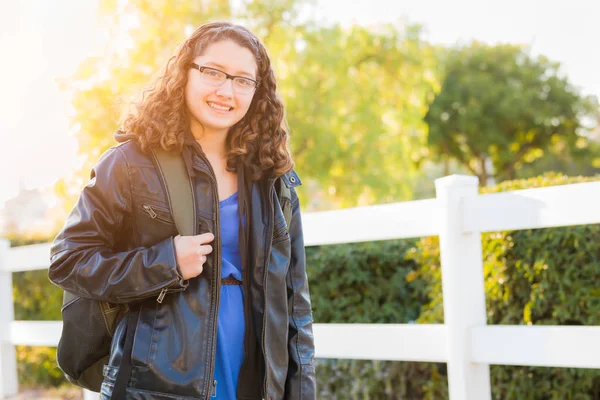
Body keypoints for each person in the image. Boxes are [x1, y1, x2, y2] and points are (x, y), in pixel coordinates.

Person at [48, 21, 316, 400]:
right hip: (154, 386)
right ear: (184, 73)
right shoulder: (129, 163)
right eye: (212, 72)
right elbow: (68, 260)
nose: (227, 90)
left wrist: (301, 393)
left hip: (256, 382)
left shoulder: (273, 178)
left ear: (258, 91)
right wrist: (166, 262)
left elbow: (296, 304)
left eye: (243, 80)